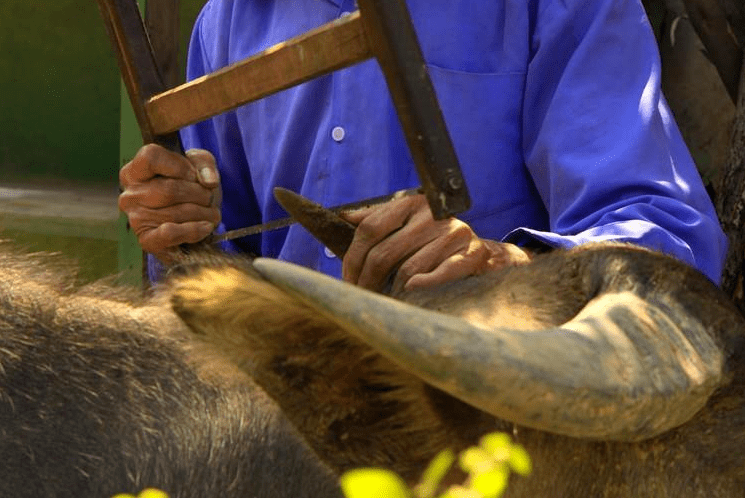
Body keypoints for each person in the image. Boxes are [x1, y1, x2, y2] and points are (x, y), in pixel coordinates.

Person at [119, 0, 728, 293]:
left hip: (490, 434)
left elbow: (670, 239)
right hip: (291, 429)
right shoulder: (227, 20)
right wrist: (181, 229)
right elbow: (205, 277)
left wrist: (506, 269)